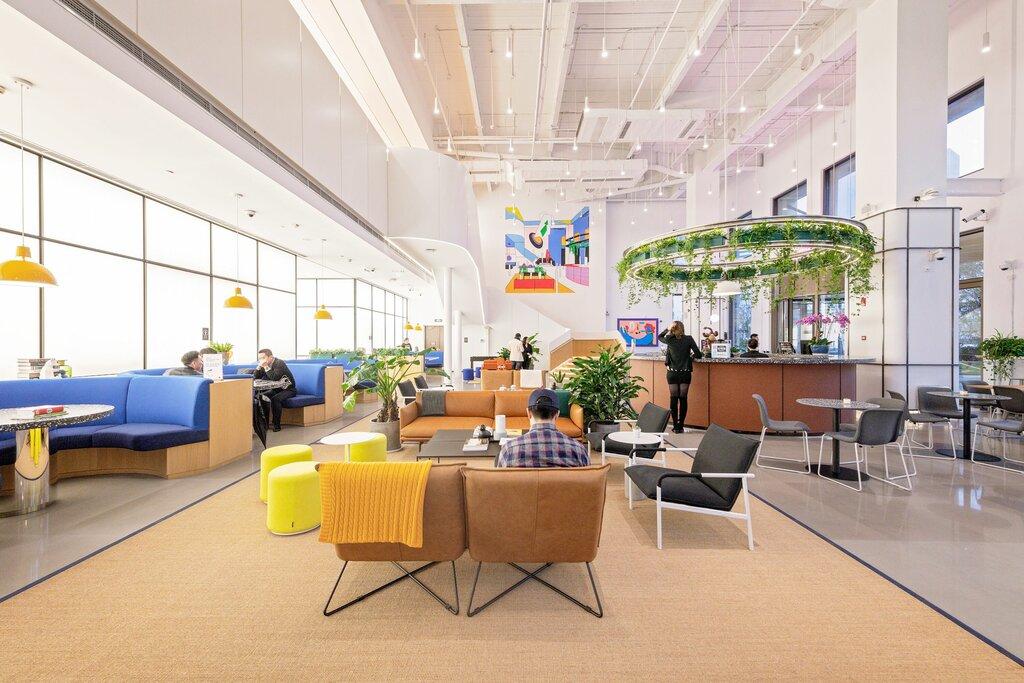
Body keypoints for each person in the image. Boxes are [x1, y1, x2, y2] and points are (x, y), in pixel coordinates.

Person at [496, 388, 590, 468]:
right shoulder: (578, 449)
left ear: (528, 413)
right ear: (557, 414)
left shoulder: (509, 449)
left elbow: (500, 482)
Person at [658, 321, 704, 433]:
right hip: (685, 373)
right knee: (683, 399)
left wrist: (668, 328)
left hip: (672, 373)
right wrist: (690, 358)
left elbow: (659, 336)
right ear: (683, 328)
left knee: (673, 398)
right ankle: (681, 426)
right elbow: (699, 354)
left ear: (672, 329)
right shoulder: (688, 339)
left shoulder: (669, 339)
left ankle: (675, 426)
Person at [252, 348, 296, 432]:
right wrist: (259, 367)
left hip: (289, 390)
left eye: (263, 358)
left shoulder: (279, 363)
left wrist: (265, 367)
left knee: (275, 399)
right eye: (260, 358)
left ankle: (277, 425)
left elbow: (275, 377)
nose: (261, 360)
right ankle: (265, 424)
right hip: (276, 389)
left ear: (271, 357)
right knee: (262, 396)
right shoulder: (264, 365)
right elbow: (256, 377)